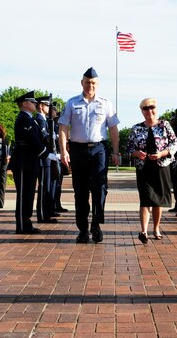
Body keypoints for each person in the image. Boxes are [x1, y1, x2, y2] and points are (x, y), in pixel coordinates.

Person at [58, 67, 120, 244]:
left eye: (93, 83)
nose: (90, 86)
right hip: (77, 150)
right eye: (87, 82)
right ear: (81, 83)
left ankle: (96, 224)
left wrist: (115, 152)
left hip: (99, 149)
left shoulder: (106, 103)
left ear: (97, 84)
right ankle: (83, 229)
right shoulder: (71, 103)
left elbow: (113, 129)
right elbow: (63, 127)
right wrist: (64, 151)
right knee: (80, 190)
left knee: (100, 188)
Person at [126, 98, 177, 243]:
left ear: (156, 108)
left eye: (152, 107)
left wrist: (162, 153)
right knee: (145, 198)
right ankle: (143, 231)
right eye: (145, 108)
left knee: (158, 200)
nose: (149, 111)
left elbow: (175, 143)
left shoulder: (164, 125)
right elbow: (128, 148)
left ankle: (156, 228)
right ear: (142, 111)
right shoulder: (136, 128)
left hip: (161, 166)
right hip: (144, 168)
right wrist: (137, 153)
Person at [12, 91, 54, 234]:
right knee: (24, 194)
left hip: (30, 160)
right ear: (25, 104)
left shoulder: (30, 119)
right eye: (32, 102)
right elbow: (32, 139)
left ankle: (26, 223)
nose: (36, 104)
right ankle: (23, 224)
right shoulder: (24, 118)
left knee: (29, 193)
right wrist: (47, 154)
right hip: (24, 161)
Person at [34, 96, 57, 223]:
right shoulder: (40, 119)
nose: (49, 108)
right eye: (47, 105)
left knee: (47, 187)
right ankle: (42, 215)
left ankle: (46, 213)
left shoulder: (44, 120)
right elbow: (44, 138)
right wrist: (52, 135)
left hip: (47, 158)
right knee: (43, 188)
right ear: (41, 106)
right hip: (43, 159)